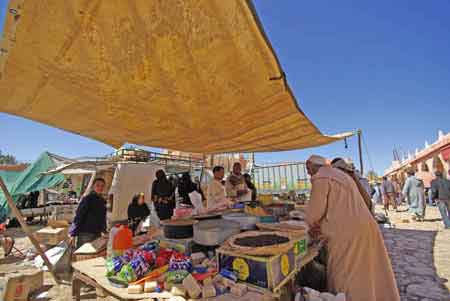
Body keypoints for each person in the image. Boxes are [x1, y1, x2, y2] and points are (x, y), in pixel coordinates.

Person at [305, 155, 399, 301]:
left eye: (308, 169)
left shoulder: (321, 177)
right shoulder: (340, 176)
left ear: (311, 165)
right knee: (369, 273)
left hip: (346, 235)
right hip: (365, 228)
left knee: (345, 275)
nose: (308, 173)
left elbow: (313, 213)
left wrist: (306, 226)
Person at [69, 178, 107, 249]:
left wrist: (104, 230)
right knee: (83, 255)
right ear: (93, 186)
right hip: (85, 233)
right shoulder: (87, 199)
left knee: (92, 256)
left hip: (97, 233)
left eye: (102, 186)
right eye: (98, 185)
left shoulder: (102, 201)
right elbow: (79, 215)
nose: (100, 188)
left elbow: (102, 217)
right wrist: (73, 232)